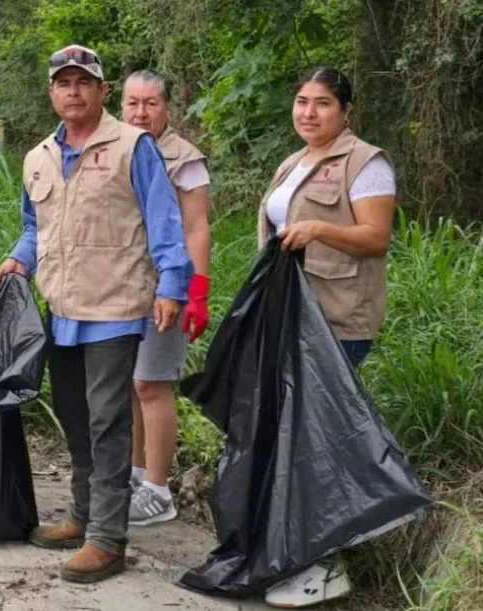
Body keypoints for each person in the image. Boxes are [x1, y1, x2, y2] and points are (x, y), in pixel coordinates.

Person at [0, 44, 193, 584]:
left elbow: (163, 220)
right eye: (64, 83)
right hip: (61, 309)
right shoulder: (38, 156)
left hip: (116, 306)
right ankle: (82, 517)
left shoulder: (133, 146)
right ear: (52, 93)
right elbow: (37, 228)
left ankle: (108, 539)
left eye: (84, 82)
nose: (73, 91)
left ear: (103, 92)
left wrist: (174, 285)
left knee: (108, 421)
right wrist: (18, 257)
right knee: (76, 418)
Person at [256, 66, 396, 608]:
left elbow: (375, 238)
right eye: (301, 101)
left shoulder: (366, 163)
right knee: (294, 436)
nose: (308, 112)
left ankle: (324, 565)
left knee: (319, 443)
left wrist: (319, 230)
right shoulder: (293, 162)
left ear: (346, 111)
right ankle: (291, 552)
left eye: (322, 104)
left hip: (336, 321)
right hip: (290, 317)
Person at [119, 70, 212, 526]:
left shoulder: (183, 159)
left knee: (151, 384)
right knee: (130, 383)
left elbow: (196, 227)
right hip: (122, 286)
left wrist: (196, 291)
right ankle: (136, 473)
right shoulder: (116, 145)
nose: (141, 112)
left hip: (166, 288)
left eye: (151, 103)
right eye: (132, 103)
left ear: (167, 107)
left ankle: (158, 488)